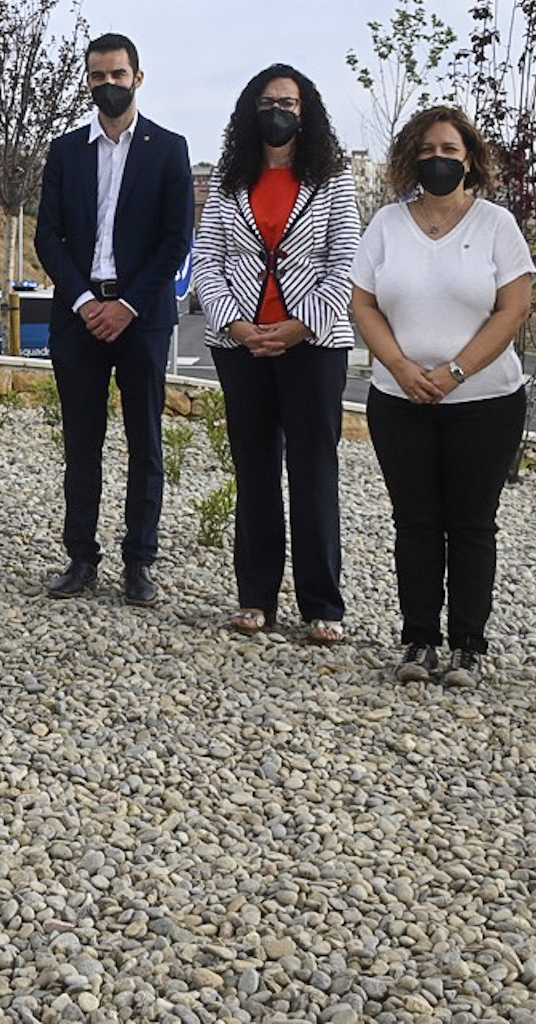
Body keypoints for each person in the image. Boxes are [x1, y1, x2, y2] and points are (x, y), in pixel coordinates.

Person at [350, 106, 535, 689]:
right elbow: (364, 305)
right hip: (399, 398)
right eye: (428, 149)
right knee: (416, 522)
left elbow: (514, 307)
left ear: (470, 158)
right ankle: (419, 639)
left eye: (450, 150)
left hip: (485, 401)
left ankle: (468, 646)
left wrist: (456, 371)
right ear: (410, 157)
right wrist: (401, 366)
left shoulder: (497, 226)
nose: (439, 159)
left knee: (473, 523)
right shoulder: (384, 224)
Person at [191, 63, 360, 644]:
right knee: (255, 469)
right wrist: (237, 325)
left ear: (305, 112)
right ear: (249, 112)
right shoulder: (229, 181)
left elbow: (346, 267)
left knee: (313, 470)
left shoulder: (333, 181)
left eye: (288, 103)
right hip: (240, 346)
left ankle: (322, 606)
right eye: (267, 103)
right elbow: (206, 261)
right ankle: (255, 596)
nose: (278, 113)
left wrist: (298, 327)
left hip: (311, 346)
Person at [34, 33, 194, 608]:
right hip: (78, 314)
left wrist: (126, 305)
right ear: (88, 81)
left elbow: (175, 240)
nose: (109, 84)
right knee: (82, 440)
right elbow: (46, 237)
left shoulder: (169, 149)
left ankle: (139, 561)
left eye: (118, 74)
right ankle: (80, 557)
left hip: (141, 317)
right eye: (98, 76)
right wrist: (84, 301)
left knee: (144, 441)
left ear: (138, 77)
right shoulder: (65, 150)